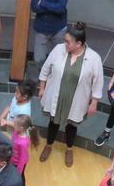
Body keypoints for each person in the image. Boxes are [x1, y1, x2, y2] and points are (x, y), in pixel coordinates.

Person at [38, 22, 104, 167]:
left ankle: (69, 149)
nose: (64, 43)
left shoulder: (94, 58)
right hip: (57, 96)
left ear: (79, 43)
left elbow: (98, 82)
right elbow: (45, 69)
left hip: (76, 100)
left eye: (68, 41)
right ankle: (49, 145)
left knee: (71, 126)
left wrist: (94, 103)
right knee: (53, 122)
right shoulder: (58, 49)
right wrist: (42, 88)